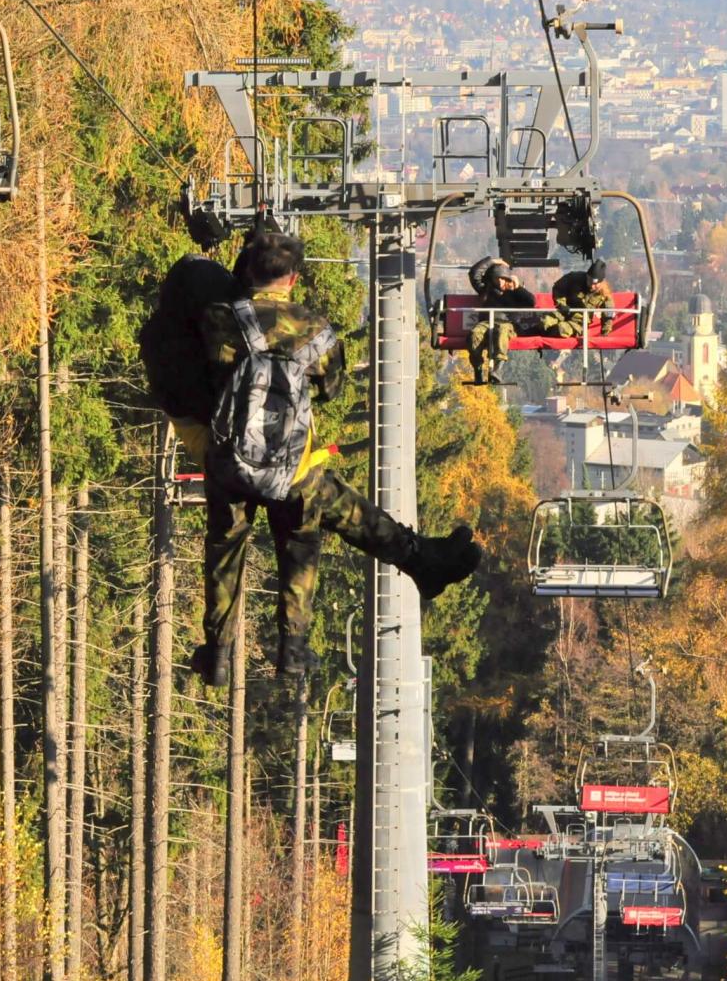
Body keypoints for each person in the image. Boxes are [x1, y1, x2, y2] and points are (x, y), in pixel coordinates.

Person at [188, 232, 484, 687]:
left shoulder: (217, 318)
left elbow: (198, 375)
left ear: (246, 269)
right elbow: (331, 390)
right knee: (303, 541)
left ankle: (218, 656)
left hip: (230, 462)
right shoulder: (313, 328)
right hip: (293, 465)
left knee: (225, 551)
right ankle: (294, 649)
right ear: (293, 278)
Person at [467, 263, 536, 385]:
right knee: (475, 334)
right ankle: (478, 369)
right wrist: (491, 260)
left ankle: (497, 369)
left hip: (506, 324)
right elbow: (474, 273)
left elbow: (531, 301)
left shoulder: (514, 294)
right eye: (498, 278)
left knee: (501, 331)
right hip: (486, 323)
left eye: (504, 279)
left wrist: (518, 287)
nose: (501, 282)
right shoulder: (486, 290)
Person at [542, 260, 614, 339]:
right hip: (563, 312)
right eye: (590, 281)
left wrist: (605, 333)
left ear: (601, 282)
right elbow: (558, 288)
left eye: (595, 284)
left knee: (562, 329)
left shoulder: (605, 294)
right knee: (545, 322)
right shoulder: (574, 278)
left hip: (579, 323)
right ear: (587, 276)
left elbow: (608, 315)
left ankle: (546, 335)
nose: (592, 286)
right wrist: (561, 304)